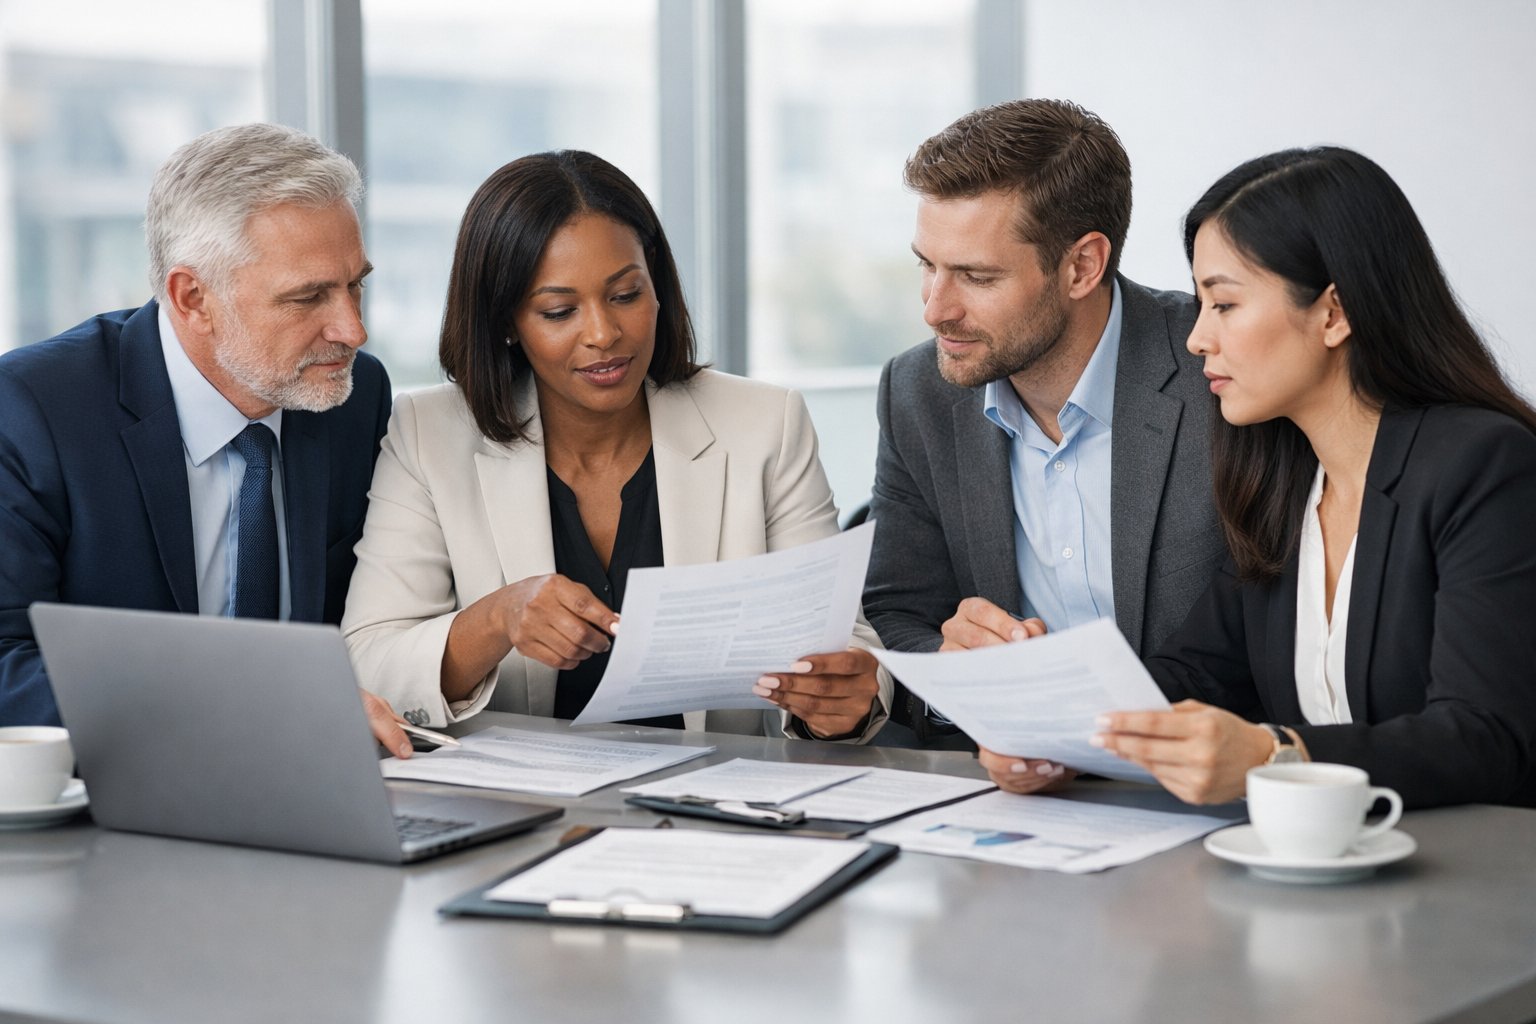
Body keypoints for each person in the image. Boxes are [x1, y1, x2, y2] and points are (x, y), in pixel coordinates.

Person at [1009, 146, 1536, 809]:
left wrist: (1277, 754)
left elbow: (1486, 739)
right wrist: (1051, 728)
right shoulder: (1283, 478)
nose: (1197, 337)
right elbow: (1201, 672)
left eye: (1223, 304)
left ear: (1333, 313)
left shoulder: (1484, 466)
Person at [342, 150, 891, 740]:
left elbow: (846, 645)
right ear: (505, 322)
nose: (604, 334)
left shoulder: (765, 424)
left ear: (657, 288)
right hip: (526, 807)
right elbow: (367, 666)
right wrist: (497, 620)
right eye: (559, 311)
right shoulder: (427, 433)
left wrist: (846, 699)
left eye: (626, 295)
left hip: (718, 804)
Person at [0, 123, 413, 757]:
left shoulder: (354, 398)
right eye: (308, 297)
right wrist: (245, 706)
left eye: (355, 283)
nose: (352, 329)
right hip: (119, 802)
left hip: (316, 786)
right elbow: (6, 666)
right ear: (193, 297)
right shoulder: (34, 410)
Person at [864, 99, 1224, 756]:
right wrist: (956, 663)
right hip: (1016, 799)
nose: (934, 309)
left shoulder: (1218, 376)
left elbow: (1272, 638)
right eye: (927, 264)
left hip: (1198, 787)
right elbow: (897, 616)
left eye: (976, 276)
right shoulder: (918, 392)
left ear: (1082, 266)